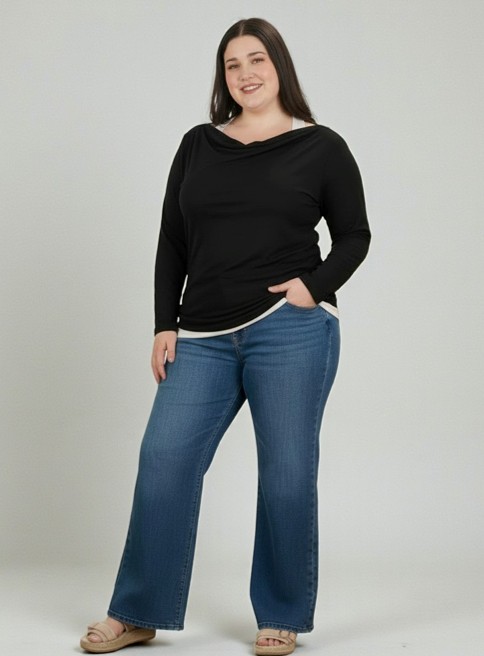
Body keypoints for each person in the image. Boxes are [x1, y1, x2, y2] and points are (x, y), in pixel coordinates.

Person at [80, 16, 370, 656]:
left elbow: (355, 235)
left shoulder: (321, 147)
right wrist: (165, 322)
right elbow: (172, 239)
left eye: (256, 59)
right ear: (224, 77)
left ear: (279, 66)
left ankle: (281, 615)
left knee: (286, 473)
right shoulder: (198, 145)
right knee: (164, 459)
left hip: (289, 329)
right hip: (202, 334)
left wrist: (313, 288)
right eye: (233, 64)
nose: (245, 73)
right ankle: (139, 612)